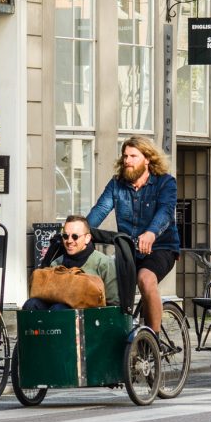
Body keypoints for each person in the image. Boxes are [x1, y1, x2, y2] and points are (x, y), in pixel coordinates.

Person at [87, 135, 179, 334]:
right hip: (128, 250)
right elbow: (100, 210)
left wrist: (151, 233)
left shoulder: (165, 183)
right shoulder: (117, 185)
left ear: (147, 159)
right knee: (106, 285)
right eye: (125, 156)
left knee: (146, 280)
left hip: (160, 248)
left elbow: (165, 212)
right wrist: (80, 232)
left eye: (133, 156)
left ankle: (151, 341)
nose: (127, 160)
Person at [23, 215, 119, 310]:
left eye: (75, 236)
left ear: (87, 238)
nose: (69, 241)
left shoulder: (104, 263)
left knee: (59, 309)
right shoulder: (56, 264)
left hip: (91, 317)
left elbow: (113, 304)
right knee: (31, 304)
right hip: (57, 312)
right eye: (65, 236)